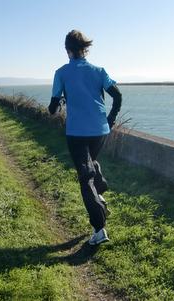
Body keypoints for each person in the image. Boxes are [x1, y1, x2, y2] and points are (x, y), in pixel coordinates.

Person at [49, 30, 122, 245]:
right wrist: (110, 120)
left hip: (77, 132)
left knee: (85, 178)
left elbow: (52, 110)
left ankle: (99, 229)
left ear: (67, 50)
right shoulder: (99, 71)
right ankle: (100, 191)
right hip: (100, 130)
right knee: (91, 165)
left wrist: (60, 101)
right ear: (85, 49)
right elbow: (117, 96)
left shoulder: (61, 73)